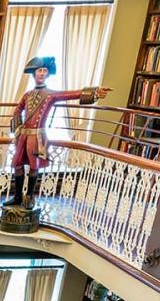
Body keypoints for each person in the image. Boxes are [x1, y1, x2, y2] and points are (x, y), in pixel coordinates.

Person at [6, 56, 111, 207]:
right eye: (39, 70)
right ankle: (17, 197)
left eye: (44, 70)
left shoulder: (50, 94)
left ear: (47, 74)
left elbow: (71, 94)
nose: (42, 73)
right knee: (17, 164)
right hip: (24, 136)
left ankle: (29, 196)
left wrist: (95, 92)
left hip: (37, 137)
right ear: (34, 74)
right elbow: (17, 110)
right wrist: (18, 128)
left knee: (34, 166)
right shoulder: (27, 94)